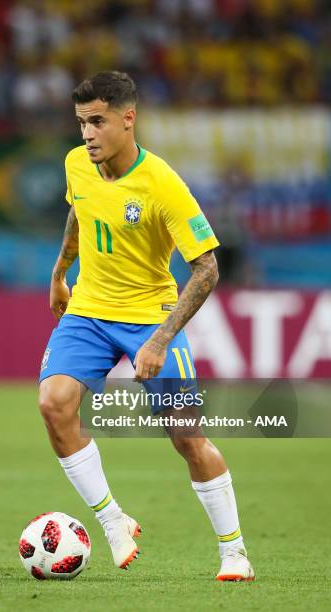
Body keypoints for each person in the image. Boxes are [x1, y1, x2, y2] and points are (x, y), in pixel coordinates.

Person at [39, 71, 254, 581]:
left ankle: (235, 551)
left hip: (148, 318)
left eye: (97, 122)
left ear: (127, 118)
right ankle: (113, 520)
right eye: (81, 123)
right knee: (53, 404)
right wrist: (59, 272)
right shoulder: (76, 164)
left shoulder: (162, 184)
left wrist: (160, 339)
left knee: (187, 435)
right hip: (89, 311)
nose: (87, 134)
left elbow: (207, 268)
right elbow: (78, 214)